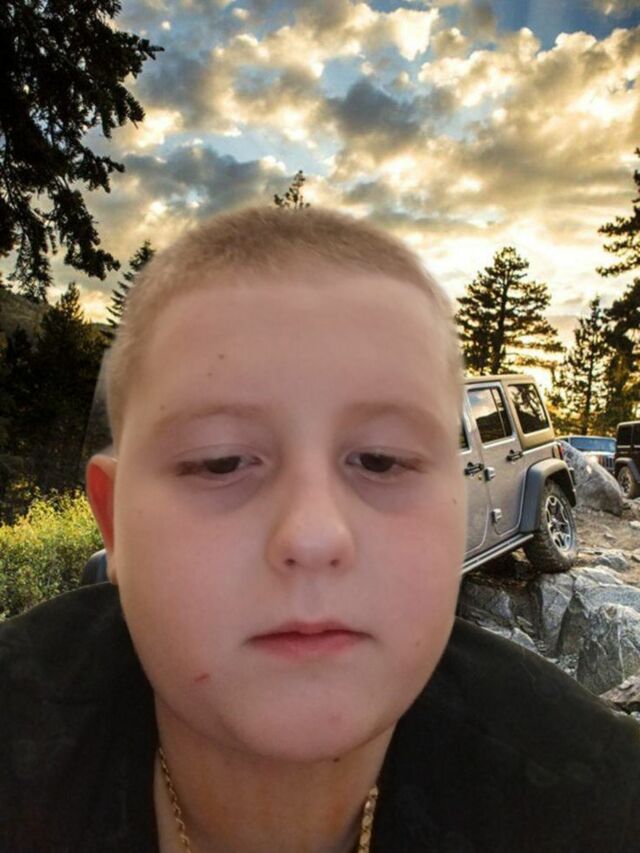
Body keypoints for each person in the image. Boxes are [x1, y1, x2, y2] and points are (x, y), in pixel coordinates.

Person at [0, 207, 638, 853]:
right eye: (220, 461)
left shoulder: (601, 802)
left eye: (381, 460)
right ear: (114, 523)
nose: (313, 536)